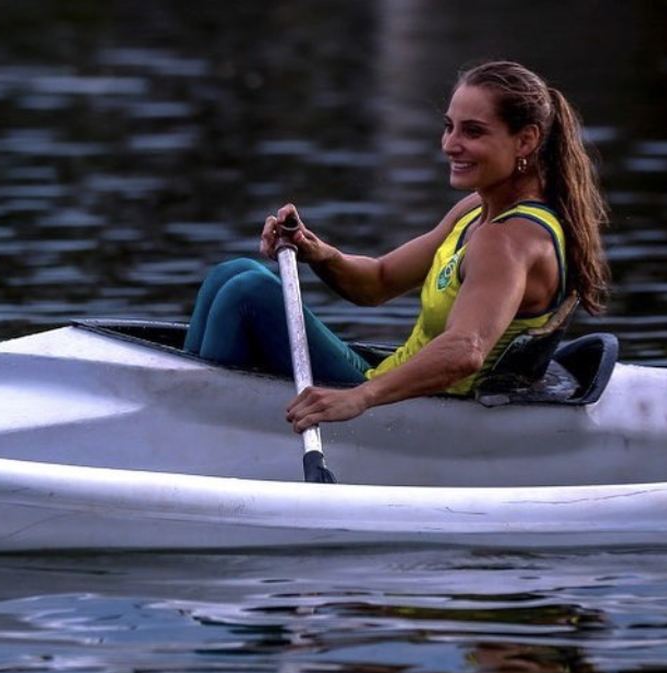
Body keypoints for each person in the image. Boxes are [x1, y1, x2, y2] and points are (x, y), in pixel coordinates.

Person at [183, 60, 610, 432]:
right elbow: (379, 281)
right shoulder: (474, 210)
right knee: (236, 273)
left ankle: (189, 423)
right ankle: (186, 410)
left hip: (430, 414)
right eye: (449, 127)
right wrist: (318, 252)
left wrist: (360, 398)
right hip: (391, 382)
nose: (450, 145)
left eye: (473, 132)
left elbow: (466, 351)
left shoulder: (509, 240)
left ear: (526, 141)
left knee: (247, 295)